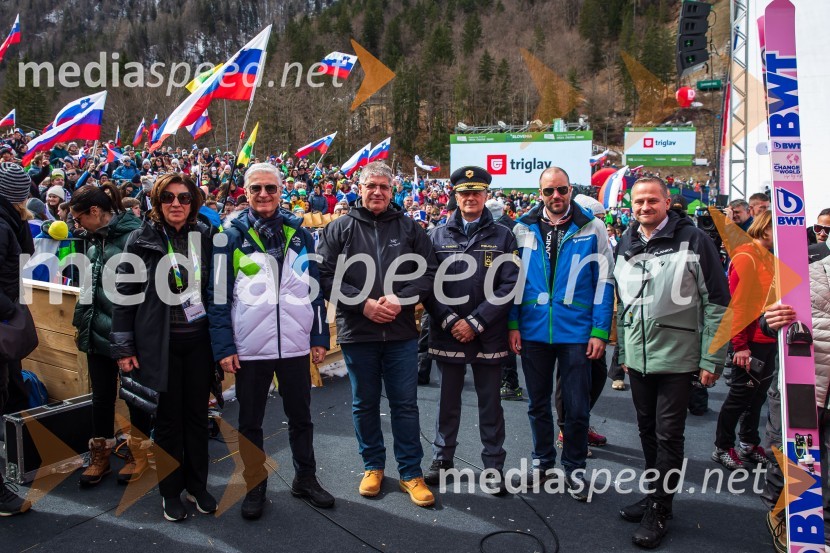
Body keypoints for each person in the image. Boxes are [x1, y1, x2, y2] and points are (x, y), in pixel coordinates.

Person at [208, 163, 334, 521]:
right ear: (245, 193)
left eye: (270, 189)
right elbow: (217, 298)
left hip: (294, 344)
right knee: (250, 421)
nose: (264, 195)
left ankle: (305, 478)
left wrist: (319, 335)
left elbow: (313, 290)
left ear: (281, 192)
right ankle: (255, 484)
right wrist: (225, 347)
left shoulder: (301, 234)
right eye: (256, 189)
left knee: (302, 417)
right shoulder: (227, 237)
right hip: (250, 347)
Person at [613, 176, 729, 548]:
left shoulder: (694, 239)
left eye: (652, 200)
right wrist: (625, 356)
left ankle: (661, 508)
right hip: (639, 358)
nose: (644, 207)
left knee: (668, 435)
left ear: (667, 202)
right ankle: (654, 494)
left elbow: (717, 302)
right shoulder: (626, 241)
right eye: (638, 202)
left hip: (679, 358)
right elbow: (624, 306)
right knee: (647, 431)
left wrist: (712, 358)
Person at [317, 161, 438, 507]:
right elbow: (325, 276)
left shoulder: (410, 227)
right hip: (358, 331)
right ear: (360, 188)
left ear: (393, 190)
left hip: (400, 332)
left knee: (405, 404)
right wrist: (363, 304)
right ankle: (372, 466)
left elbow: (429, 273)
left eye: (384, 186)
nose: (378, 192)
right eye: (372, 186)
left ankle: (410, 472)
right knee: (364, 403)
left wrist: (402, 300)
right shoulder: (339, 228)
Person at [110, 173, 217, 522]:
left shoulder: (204, 235)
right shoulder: (139, 239)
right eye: (168, 198)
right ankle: (170, 491)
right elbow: (124, 297)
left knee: (198, 419)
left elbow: (216, 290)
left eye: (184, 198)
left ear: (193, 203)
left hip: (199, 342)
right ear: (157, 202)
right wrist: (124, 347)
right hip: (160, 344)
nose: (176, 204)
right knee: (169, 423)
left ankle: (197, 485)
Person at [507, 167, 614, 501]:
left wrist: (600, 330)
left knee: (577, 407)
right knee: (537, 404)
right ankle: (542, 462)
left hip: (577, 332)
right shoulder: (522, 227)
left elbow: (604, 280)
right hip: (534, 329)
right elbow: (512, 282)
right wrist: (513, 324)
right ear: (539, 193)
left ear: (571, 190)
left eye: (562, 190)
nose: (556, 196)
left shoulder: (592, 226)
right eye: (549, 191)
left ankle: (575, 469)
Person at [423, 167, 519, 493]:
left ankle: (493, 465)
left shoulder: (505, 236)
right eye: (464, 192)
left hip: (488, 333)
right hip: (447, 332)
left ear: (486, 195)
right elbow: (429, 285)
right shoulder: (436, 236)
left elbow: (509, 284)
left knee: (490, 404)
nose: (470, 197)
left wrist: (477, 321)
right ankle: (442, 458)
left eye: (476, 192)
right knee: (447, 402)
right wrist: (451, 321)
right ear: (455, 195)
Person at [69, 184, 153, 488]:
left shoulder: (135, 236)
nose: (76, 226)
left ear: (95, 211)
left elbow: (146, 291)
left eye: (78, 219)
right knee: (101, 397)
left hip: (128, 336)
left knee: (133, 397)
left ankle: (140, 454)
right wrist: (83, 325)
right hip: (97, 333)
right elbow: (89, 291)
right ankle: (100, 455)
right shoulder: (93, 242)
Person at [712, 210, 776, 471]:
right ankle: (722, 446)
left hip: (769, 339)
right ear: (765, 227)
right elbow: (737, 304)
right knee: (740, 396)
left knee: (757, 397)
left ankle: (748, 443)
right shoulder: (747, 256)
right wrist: (740, 345)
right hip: (750, 341)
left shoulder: (769, 257)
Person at [0, 163, 34, 516]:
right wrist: (10, 311)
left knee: (11, 390)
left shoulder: (10, 221)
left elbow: (26, 254)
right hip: (2, 321)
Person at [485, 198, 523, 401]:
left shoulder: (507, 230)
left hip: (501, 288)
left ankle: (508, 381)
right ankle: (507, 381)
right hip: (507, 287)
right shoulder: (515, 226)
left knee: (504, 337)